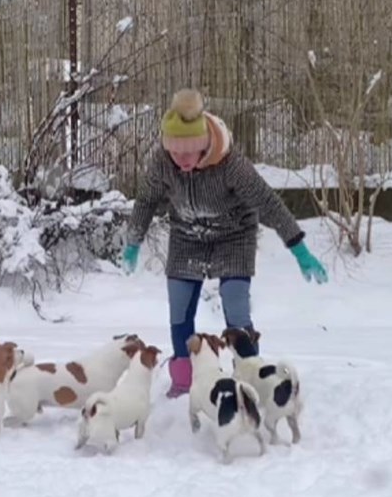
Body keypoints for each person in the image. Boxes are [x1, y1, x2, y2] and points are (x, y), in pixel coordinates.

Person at [120, 88, 326, 398]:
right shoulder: (163, 162)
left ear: (203, 144)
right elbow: (147, 200)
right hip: (187, 235)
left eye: (188, 153)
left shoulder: (230, 164)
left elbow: (267, 202)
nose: (181, 159)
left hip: (234, 234)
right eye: (175, 152)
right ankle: (185, 379)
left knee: (235, 304)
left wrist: (299, 248)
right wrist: (133, 242)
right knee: (179, 308)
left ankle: (251, 376)